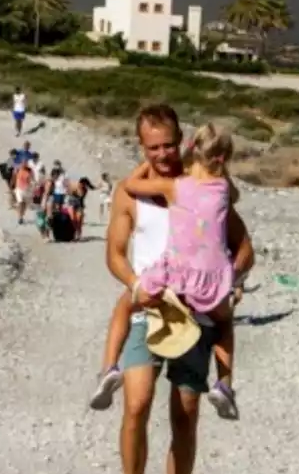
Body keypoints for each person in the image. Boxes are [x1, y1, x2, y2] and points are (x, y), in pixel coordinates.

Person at [100, 104, 254, 474]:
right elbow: (113, 253)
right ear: (141, 147)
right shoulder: (130, 193)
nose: (163, 153)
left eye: (170, 144)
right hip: (148, 310)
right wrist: (133, 285)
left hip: (197, 318)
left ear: (181, 139)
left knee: (184, 418)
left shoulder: (201, 185)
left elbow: (245, 249)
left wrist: (231, 282)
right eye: (154, 147)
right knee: (135, 406)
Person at [91, 122, 242, 417]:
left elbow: (130, 186)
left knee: (125, 304)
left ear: (189, 148)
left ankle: (108, 368)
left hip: (175, 275)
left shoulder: (175, 188)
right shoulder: (224, 189)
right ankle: (224, 383)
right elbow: (232, 201)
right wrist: (234, 281)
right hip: (211, 280)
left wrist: (145, 161)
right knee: (224, 322)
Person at [12, 159, 34, 225]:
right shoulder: (18, 169)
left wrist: (31, 185)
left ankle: (21, 216)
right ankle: (19, 217)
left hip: (26, 189)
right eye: (23, 163)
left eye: (25, 163)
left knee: (24, 205)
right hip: (19, 189)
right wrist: (12, 185)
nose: (24, 164)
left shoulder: (29, 171)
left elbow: (31, 180)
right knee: (20, 203)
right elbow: (14, 176)